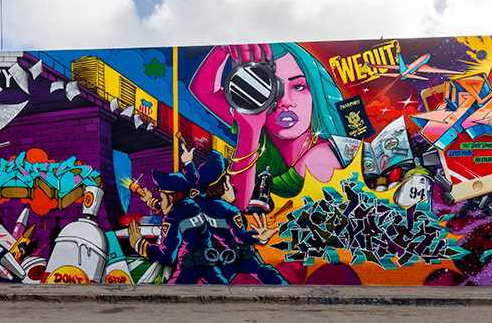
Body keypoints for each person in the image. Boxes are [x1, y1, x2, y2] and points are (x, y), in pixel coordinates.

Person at [190, 42, 345, 209]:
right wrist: (223, 50)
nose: (286, 101)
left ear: (315, 94)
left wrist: (249, 134)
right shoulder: (262, 126)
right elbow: (204, 91)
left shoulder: (321, 157)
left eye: (298, 86)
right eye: (272, 88)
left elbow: (243, 208)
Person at [191, 152, 286, 284]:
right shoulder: (230, 211)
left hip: (222, 257)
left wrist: (188, 163)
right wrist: (259, 237)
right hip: (240, 256)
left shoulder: (201, 201)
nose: (233, 186)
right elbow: (240, 237)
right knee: (268, 275)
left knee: (218, 282)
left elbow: (192, 181)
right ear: (224, 186)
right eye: (229, 181)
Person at [126, 168, 223, 284]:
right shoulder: (192, 206)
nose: (161, 201)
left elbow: (167, 255)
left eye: (162, 198)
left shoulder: (172, 219)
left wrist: (138, 243)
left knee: (170, 292)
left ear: (170, 198)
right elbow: (171, 207)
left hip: (189, 267)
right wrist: (149, 200)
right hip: (207, 262)